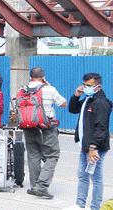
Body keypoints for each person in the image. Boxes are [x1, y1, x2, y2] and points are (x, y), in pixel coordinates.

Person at [23, 67, 67, 199]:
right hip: (46, 128)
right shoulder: (49, 89)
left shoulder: (23, 89)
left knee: (33, 156)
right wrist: (49, 86)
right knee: (52, 155)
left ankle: (35, 186)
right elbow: (63, 103)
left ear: (30, 78)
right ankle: (41, 187)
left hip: (29, 127)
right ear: (43, 78)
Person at [68, 72, 110, 210]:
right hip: (85, 145)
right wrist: (76, 96)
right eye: (84, 85)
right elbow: (73, 109)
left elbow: (101, 128)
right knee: (82, 176)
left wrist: (93, 147)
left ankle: (95, 207)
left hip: (95, 147)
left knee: (96, 178)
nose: (85, 88)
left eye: (89, 86)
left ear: (98, 87)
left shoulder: (100, 103)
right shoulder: (88, 99)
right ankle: (80, 204)